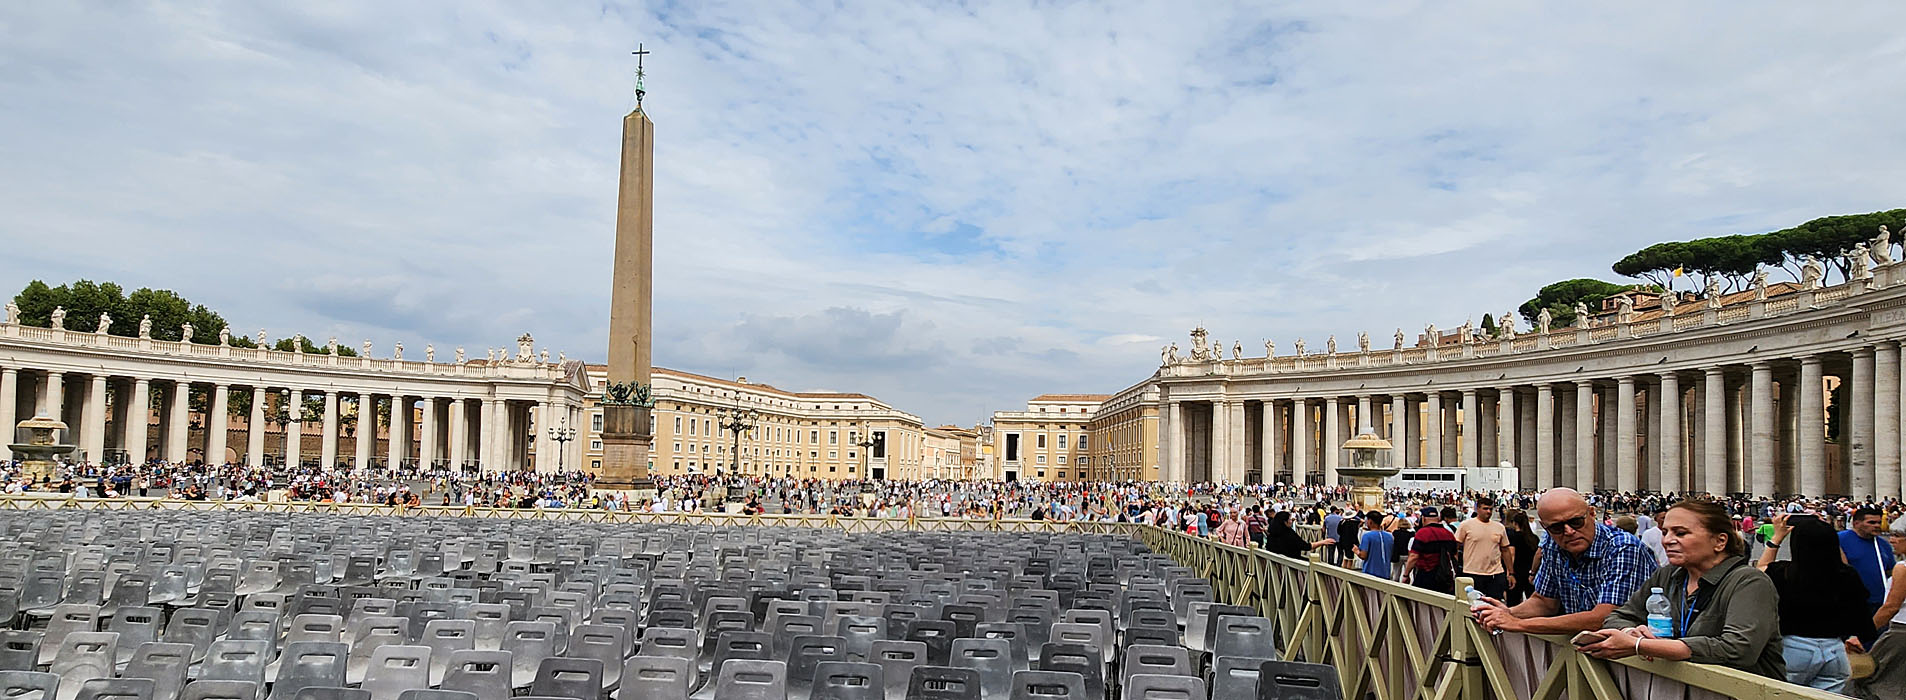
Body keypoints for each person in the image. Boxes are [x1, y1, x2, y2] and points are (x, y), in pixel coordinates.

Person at [1578, 499, 1784, 680]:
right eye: (1665, 532)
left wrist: (1642, 645)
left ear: (1720, 541)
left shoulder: (1750, 582)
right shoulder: (1666, 575)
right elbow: (1619, 616)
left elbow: (1739, 649)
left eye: (1681, 533)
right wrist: (1630, 631)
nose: (1667, 540)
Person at [1474, 488, 1657, 635]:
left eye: (1576, 522)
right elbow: (1544, 601)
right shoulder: (1555, 546)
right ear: (1545, 527)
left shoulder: (1623, 548)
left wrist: (1519, 624)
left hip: (1636, 659)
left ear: (1592, 514)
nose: (1568, 531)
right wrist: (1509, 613)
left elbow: (1605, 617)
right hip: (1585, 655)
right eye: (1557, 527)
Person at [1754, 513, 1874, 692]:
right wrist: (1826, 534)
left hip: (1794, 647)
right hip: (1834, 649)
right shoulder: (1847, 575)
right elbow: (1860, 612)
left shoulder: (1784, 573)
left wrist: (1776, 538)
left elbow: (1760, 573)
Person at [1851, 517, 1906, 700]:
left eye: (1897, 536)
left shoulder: (1902, 568)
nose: (1891, 540)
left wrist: (1862, 635)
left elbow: (1891, 607)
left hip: (1900, 632)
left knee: (1872, 680)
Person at [1845, 507, 1898, 640]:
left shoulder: (1883, 544)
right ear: (1856, 523)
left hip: (1879, 603)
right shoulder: (1840, 540)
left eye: (1878, 523)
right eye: (1871, 523)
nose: (1877, 526)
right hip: (1853, 603)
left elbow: (1891, 570)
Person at [1456, 497, 1513, 599]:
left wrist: (1511, 572)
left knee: (1495, 603)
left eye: (1490, 509)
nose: (1488, 511)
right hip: (1472, 572)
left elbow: (1505, 550)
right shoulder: (1466, 525)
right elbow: (1456, 546)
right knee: (1473, 605)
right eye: (1485, 508)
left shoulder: (1499, 527)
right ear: (1477, 509)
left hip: (1495, 573)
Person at [1404, 507, 1459, 593]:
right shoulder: (1448, 534)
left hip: (1426, 574)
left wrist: (1406, 575)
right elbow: (1455, 555)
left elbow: (1414, 556)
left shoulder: (1422, 533)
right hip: (1445, 576)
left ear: (1423, 518)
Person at [1504, 509, 1540, 605]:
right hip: (1530, 572)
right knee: (1532, 602)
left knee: (1513, 602)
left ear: (1515, 523)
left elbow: (1512, 554)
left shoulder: (1513, 536)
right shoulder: (1534, 538)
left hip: (1516, 572)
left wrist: (1509, 573)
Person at [1356, 511, 1395, 579]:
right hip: (1386, 572)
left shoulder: (1367, 536)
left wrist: (1356, 551)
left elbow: (1363, 555)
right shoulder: (1390, 536)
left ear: (1370, 521)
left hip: (1370, 572)